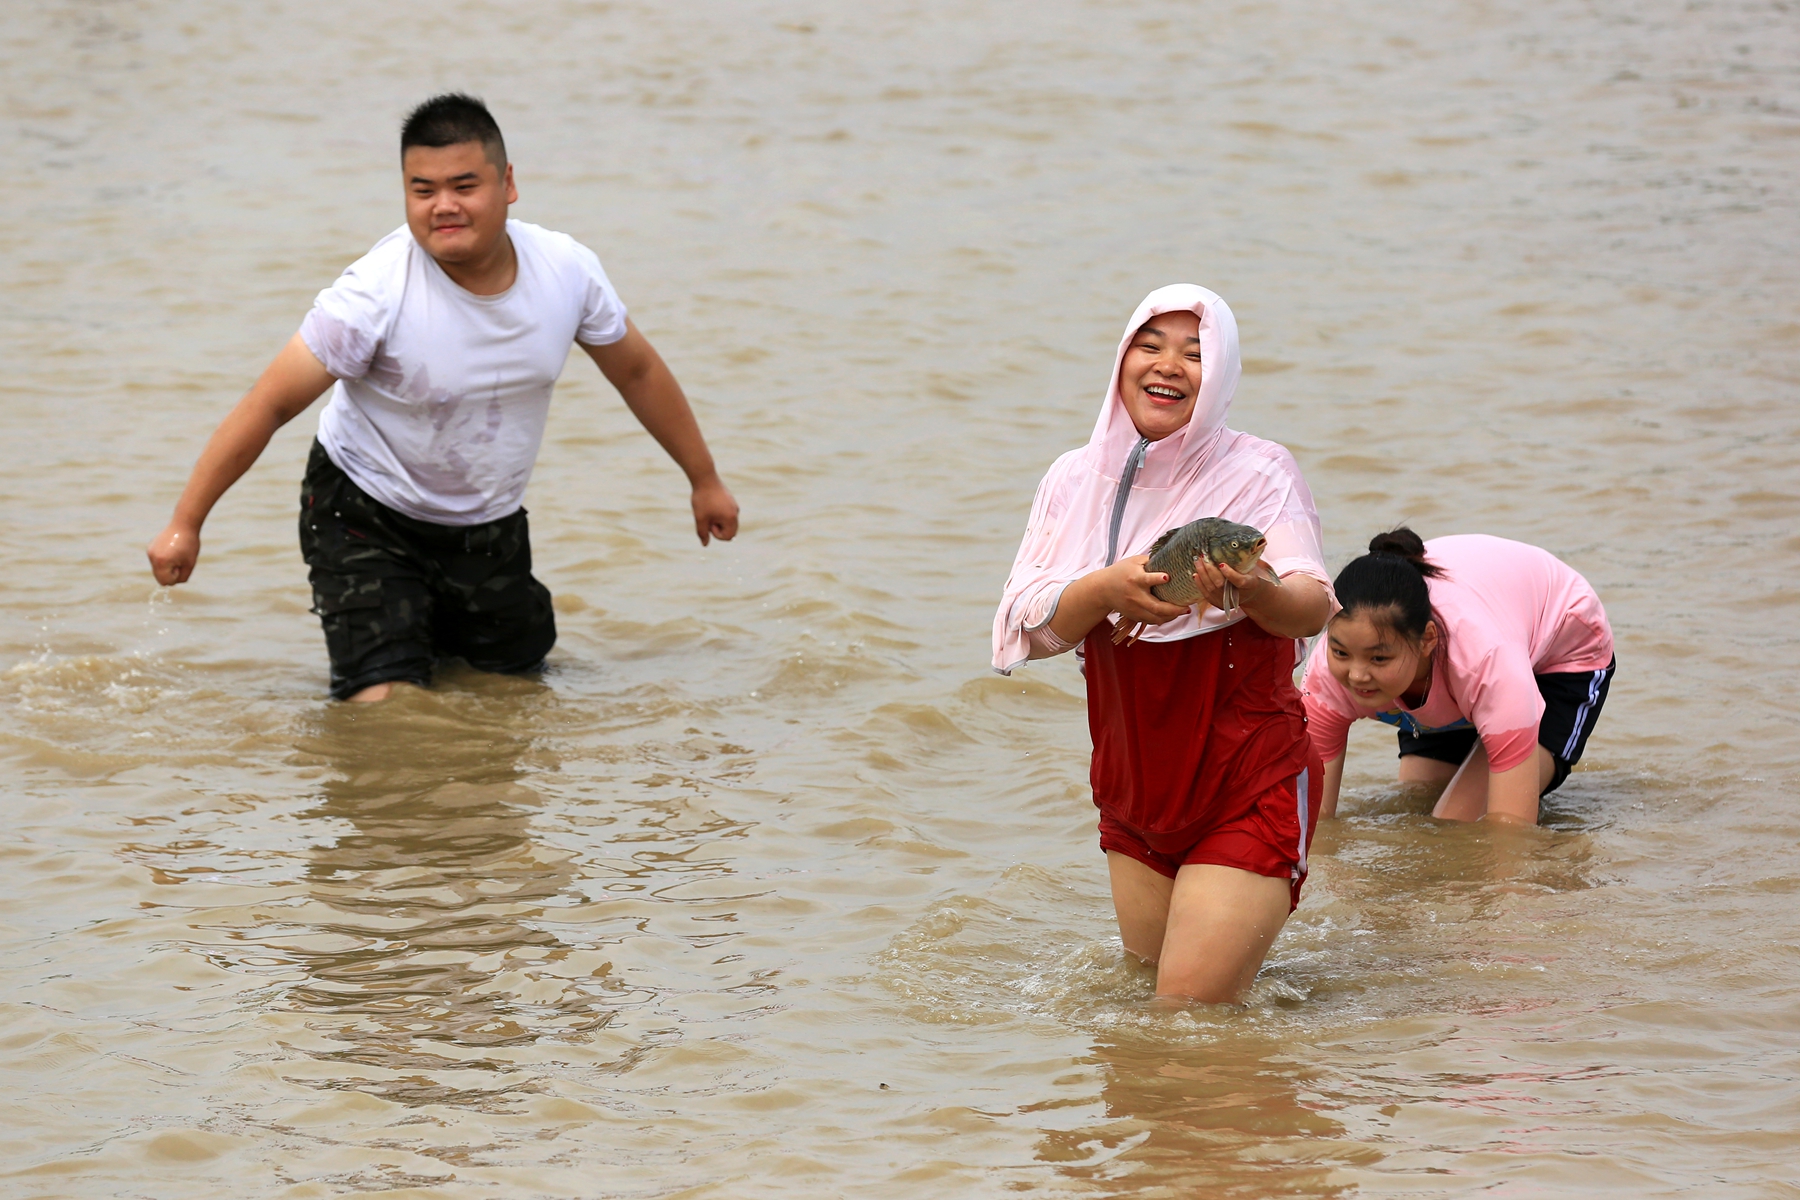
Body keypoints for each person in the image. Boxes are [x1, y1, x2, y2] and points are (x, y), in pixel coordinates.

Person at [145, 94, 738, 701]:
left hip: (487, 522)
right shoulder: (373, 294)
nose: (444, 207)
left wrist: (704, 478)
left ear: (507, 183)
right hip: (365, 511)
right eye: (422, 190)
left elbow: (636, 371)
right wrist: (185, 523)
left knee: (512, 693)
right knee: (389, 706)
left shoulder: (566, 271)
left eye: (463, 185)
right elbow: (266, 405)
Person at [992, 285, 1334, 1004]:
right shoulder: (1073, 479)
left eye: (1196, 352)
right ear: (1122, 360)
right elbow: (1027, 623)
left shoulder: (1261, 471)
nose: (1169, 364)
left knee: (1183, 1014)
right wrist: (1104, 591)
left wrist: (1254, 592)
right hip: (1134, 789)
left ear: (1225, 376)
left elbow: (1311, 606)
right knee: (1152, 1040)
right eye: (1150, 345)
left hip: (1248, 776)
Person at [1302, 529, 1615, 825]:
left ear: (1427, 640)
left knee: (1453, 825)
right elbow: (1312, 819)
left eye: (1378, 658)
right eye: (1341, 652)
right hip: (1457, 668)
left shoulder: (1487, 664)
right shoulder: (1326, 677)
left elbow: (1513, 835)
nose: (1356, 675)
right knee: (1414, 813)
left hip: (1560, 654)